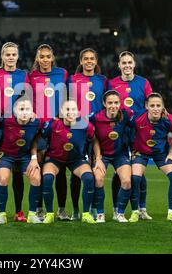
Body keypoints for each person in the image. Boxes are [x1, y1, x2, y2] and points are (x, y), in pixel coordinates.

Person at [108, 50, 153, 221]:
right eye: (124, 63)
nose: (127, 66)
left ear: (134, 64)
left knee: (138, 172)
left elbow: (151, 104)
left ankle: (142, 208)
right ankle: (115, 209)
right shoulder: (112, 83)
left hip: (138, 134)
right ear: (119, 65)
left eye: (129, 63)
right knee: (119, 172)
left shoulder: (144, 83)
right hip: (118, 133)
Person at [29, 44, 70, 220]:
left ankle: (61, 209)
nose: (45, 60)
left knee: (59, 171)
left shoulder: (63, 74)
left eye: (48, 57)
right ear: (37, 59)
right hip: (38, 130)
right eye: (42, 57)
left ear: (52, 58)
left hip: (58, 130)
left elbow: (70, 96)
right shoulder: (31, 77)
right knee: (38, 170)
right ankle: (39, 209)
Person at [0, 42, 29, 222]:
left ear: (17, 56)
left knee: (18, 171)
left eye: (14, 54)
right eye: (8, 55)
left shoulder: (23, 75)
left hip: (17, 127)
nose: (11, 57)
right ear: (2, 56)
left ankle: (19, 210)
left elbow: (27, 99)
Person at [128, 92, 172, 223]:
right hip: (140, 151)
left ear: (163, 107)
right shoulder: (137, 118)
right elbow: (126, 131)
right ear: (146, 106)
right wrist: (130, 150)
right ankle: (135, 212)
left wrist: (171, 152)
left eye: (158, 105)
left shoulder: (169, 119)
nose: (156, 108)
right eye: (152, 105)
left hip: (161, 153)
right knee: (135, 178)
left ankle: (171, 213)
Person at [41, 99, 96, 224]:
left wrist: (98, 157)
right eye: (67, 109)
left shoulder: (85, 125)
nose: (70, 112)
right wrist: (36, 156)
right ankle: (50, 214)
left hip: (76, 160)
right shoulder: (53, 125)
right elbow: (40, 137)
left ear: (78, 112)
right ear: (61, 111)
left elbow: (94, 140)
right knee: (48, 178)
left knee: (88, 178)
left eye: (73, 109)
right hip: (55, 159)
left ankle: (86, 214)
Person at [67, 48, 108, 220]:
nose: (89, 61)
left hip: (99, 129)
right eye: (86, 59)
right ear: (81, 62)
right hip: (78, 129)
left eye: (92, 58)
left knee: (95, 169)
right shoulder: (73, 80)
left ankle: (93, 208)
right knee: (78, 170)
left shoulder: (103, 80)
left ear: (96, 61)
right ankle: (76, 209)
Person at [0, 94, 44, 224]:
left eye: (27, 109)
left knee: (36, 177)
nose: (24, 112)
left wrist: (34, 157)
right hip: (6, 154)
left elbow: (47, 129)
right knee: (3, 178)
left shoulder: (37, 123)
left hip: (24, 156)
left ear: (32, 111)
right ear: (15, 110)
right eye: (21, 109)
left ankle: (32, 214)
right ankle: (2, 214)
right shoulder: (5, 120)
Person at [90, 90, 132, 223]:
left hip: (120, 155)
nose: (113, 105)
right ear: (104, 103)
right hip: (103, 155)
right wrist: (97, 158)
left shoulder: (126, 115)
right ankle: (100, 214)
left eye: (116, 102)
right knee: (98, 179)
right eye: (110, 103)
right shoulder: (95, 117)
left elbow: (142, 123)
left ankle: (119, 213)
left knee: (126, 181)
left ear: (120, 103)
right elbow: (92, 137)